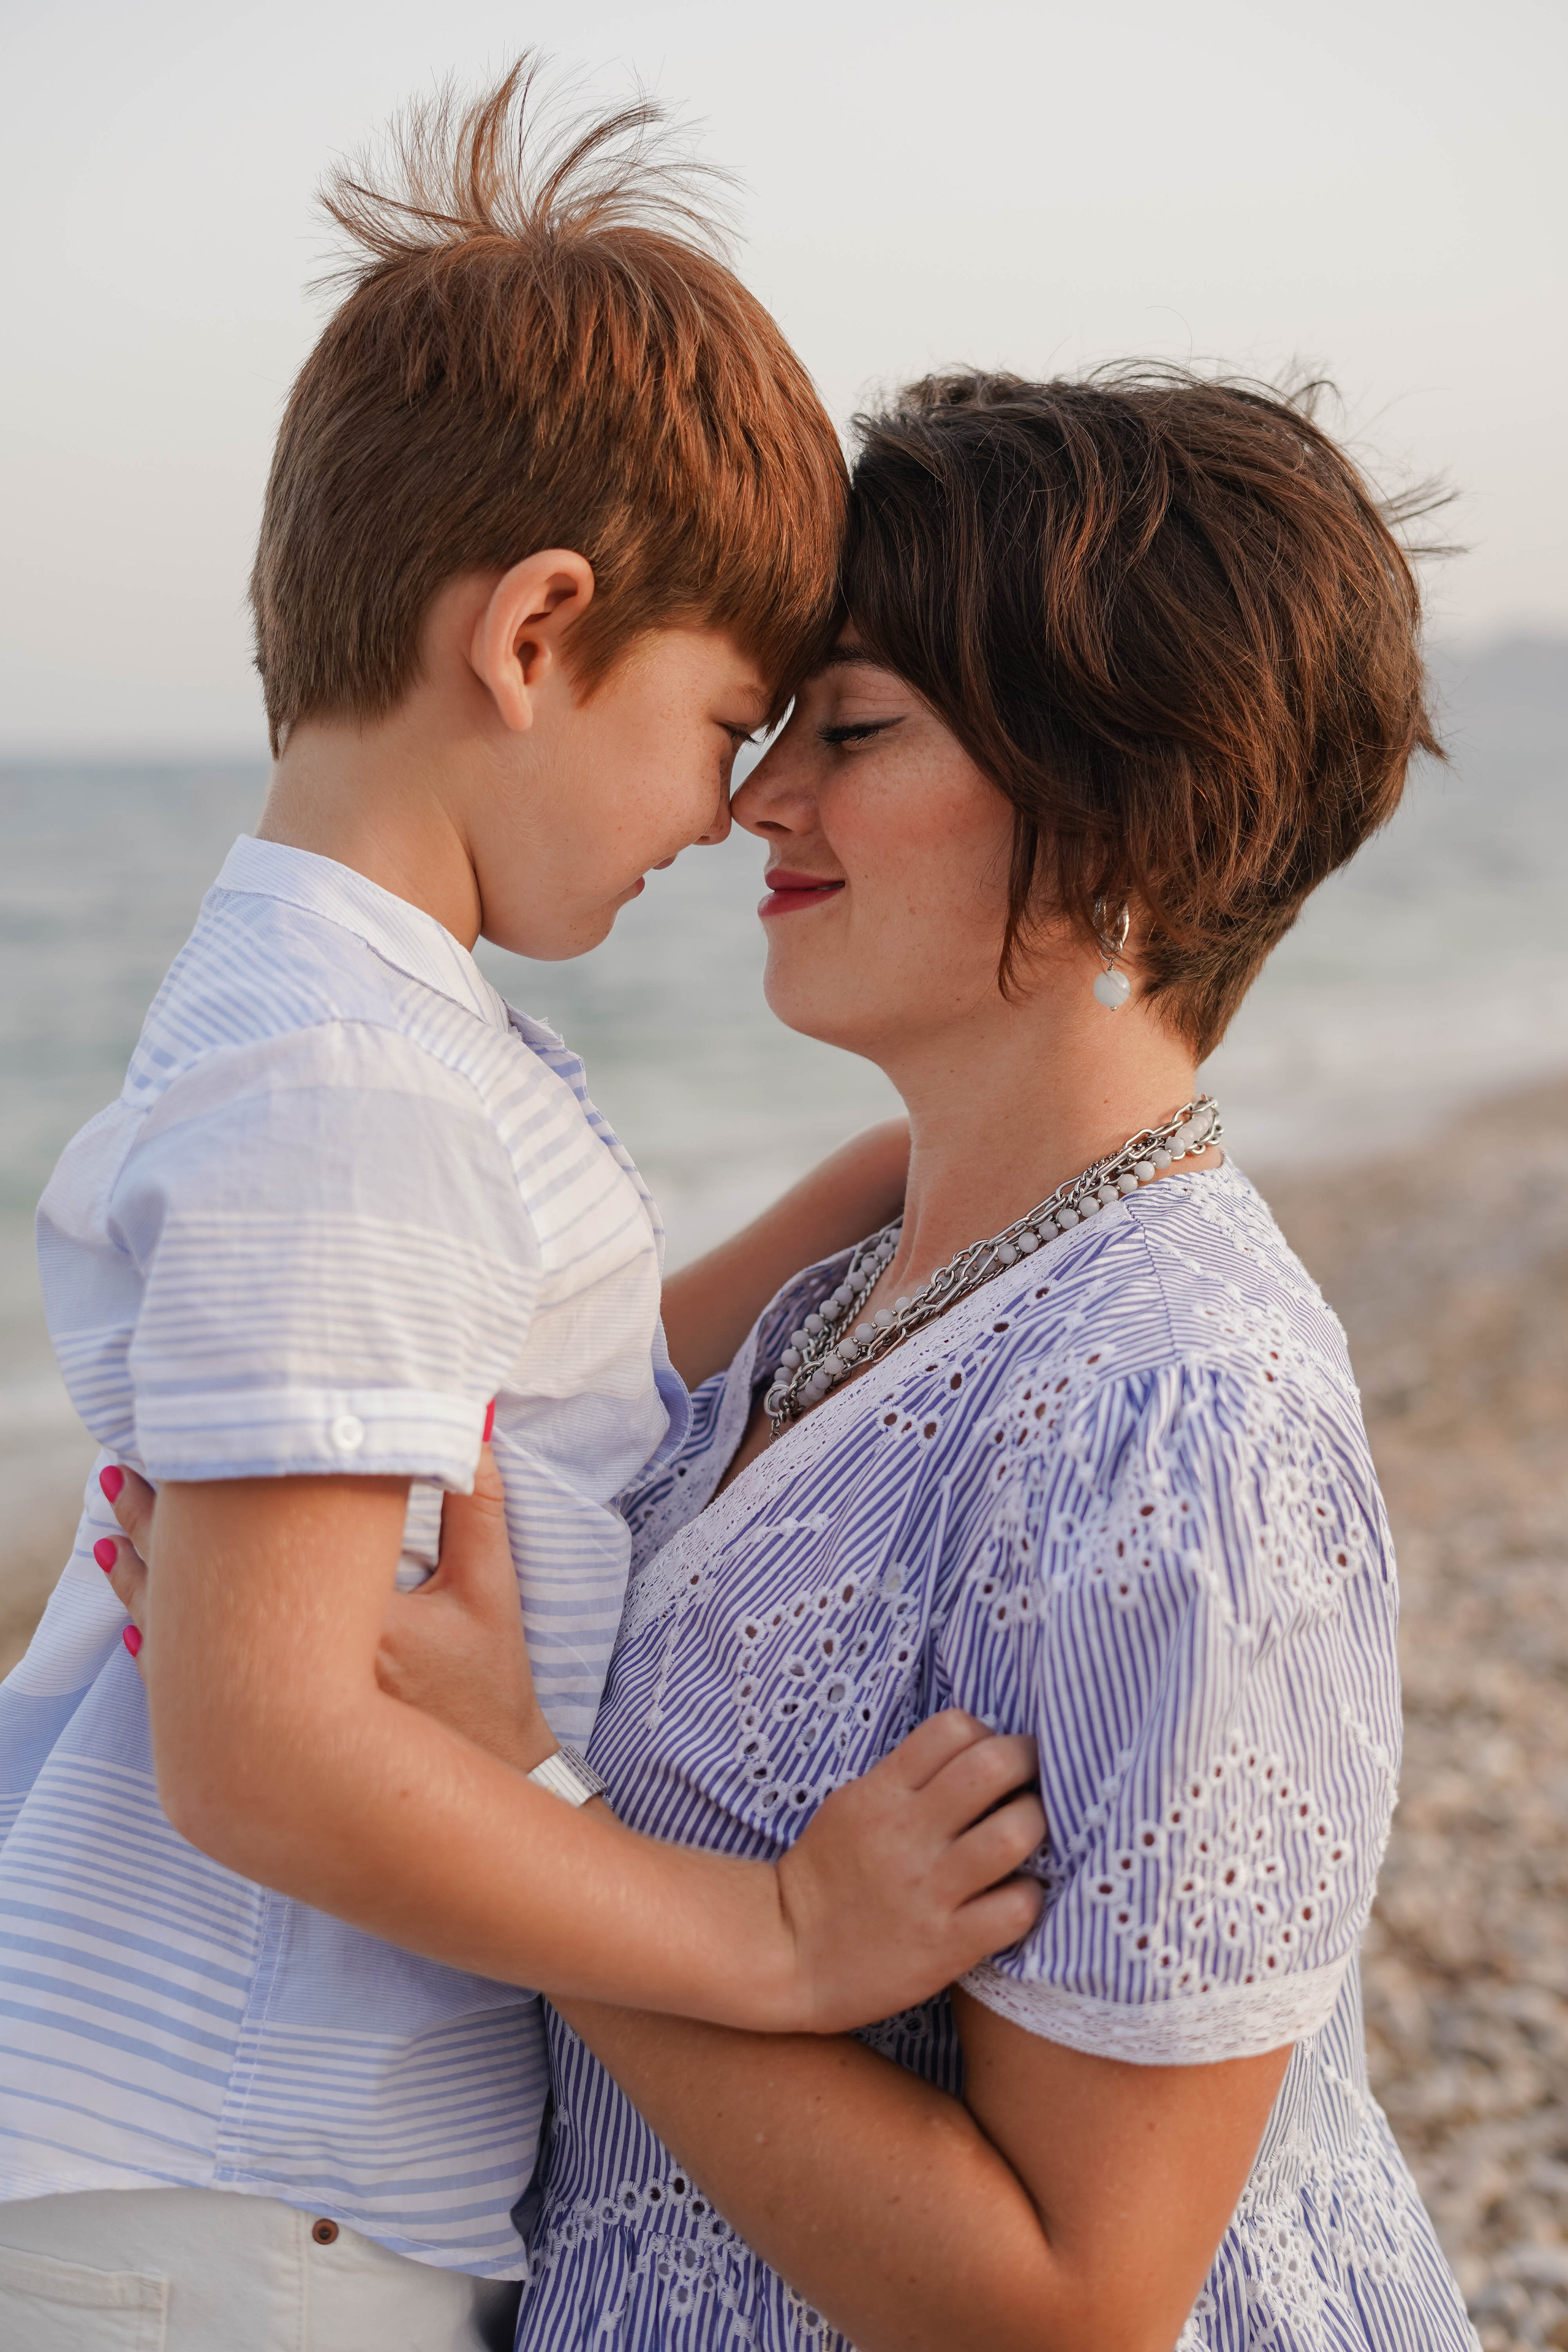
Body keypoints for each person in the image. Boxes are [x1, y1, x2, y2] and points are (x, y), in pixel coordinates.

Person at [244, 366, 1472, 2350]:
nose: (757, 801)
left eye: (857, 730)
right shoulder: (853, 1288)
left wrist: (523, 1823)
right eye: (777, 723)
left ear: (1123, 820)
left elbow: (1082, 2306)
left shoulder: (1186, 1420)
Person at [0, 75, 1044, 2352]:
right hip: (225, 2197)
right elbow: (262, 1750)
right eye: (724, 718)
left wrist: (915, 1169)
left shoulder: (364, 1024)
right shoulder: (355, 1089)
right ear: (541, 633)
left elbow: (542, 1396)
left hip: (234, 2193)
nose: (738, 802)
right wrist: (769, 1939)